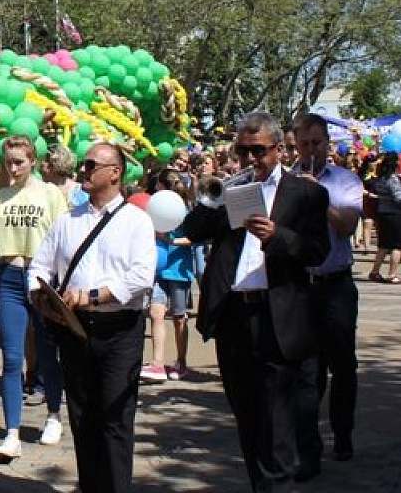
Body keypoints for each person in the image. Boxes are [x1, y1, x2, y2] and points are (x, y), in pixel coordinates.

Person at [182, 111, 330, 493]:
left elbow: (317, 250)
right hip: (234, 316)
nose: (249, 160)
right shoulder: (233, 192)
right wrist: (208, 197)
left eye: (257, 151)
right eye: (242, 150)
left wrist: (277, 236)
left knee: (277, 423)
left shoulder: (307, 193)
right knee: (246, 418)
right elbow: (193, 231)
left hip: (276, 316)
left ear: (279, 150)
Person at [28, 142, 156, 493]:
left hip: (120, 332)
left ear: (115, 172)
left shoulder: (136, 221)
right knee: (82, 418)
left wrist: (92, 296)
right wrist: (40, 295)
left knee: (114, 420)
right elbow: (39, 266)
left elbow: (140, 278)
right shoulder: (67, 221)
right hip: (75, 331)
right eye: (83, 165)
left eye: (90, 165)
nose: (83, 170)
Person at [0, 135, 68, 459]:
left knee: (47, 351)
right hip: (8, 277)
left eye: (19, 161)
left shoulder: (50, 194)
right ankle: (11, 432)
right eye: (9, 161)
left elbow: (63, 238)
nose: (13, 167)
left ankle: (53, 414)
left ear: (33, 160)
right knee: (11, 356)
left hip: (41, 278)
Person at [291, 113, 362, 479]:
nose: (310, 150)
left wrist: (318, 197)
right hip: (302, 286)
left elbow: (348, 226)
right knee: (306, 371)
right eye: (304, 144)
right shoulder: (288, 180)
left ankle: (343, 433)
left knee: (343, 366)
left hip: (336, 284)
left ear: (327, 144)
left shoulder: (346, 181)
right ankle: (308, 449)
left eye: (316, 143)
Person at [141, 169, 195, 382]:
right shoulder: (154, 206)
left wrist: (170, 241)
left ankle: (181, 362)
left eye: (158, 184)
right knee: (156, 312)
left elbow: (193, 238)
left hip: (179, 269)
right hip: (159, 266)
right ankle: (156, 363)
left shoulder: (186, 210)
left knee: (179, 318)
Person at [367, 153, 401, 284]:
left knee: (383, 245)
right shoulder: (392, 179)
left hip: (382, 213)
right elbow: (398, 198)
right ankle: (392, 274)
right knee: (397, 246)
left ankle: (375, 271)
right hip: (395, 214)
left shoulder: (380, 178)